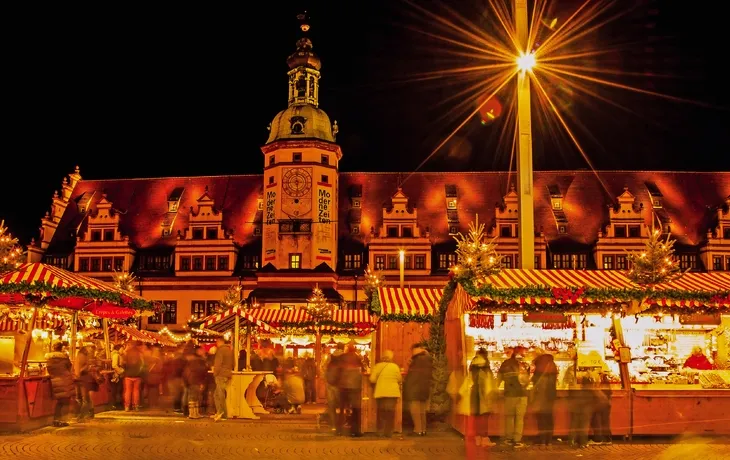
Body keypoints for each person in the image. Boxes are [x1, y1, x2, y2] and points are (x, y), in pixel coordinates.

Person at [451, 349, 496, 451]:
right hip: (483, 399)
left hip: (473, 398)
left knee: (477, 419)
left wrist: (459, 395)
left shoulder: (473, 370)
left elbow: (466, 384)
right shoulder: (486, 370)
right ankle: (484, 440)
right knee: (484, 420)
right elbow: (489, 387)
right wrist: (491, 398)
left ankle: (478, 439)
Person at [496, 346, 529, 448]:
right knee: (519, 418)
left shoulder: (505, 363)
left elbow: (498, 379)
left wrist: (495, 389)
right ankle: (517, 440)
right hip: (522, 395)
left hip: (510, 394)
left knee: (509, 417)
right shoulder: (524, 365)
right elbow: (526, 381)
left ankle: (509, 438)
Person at [369, 349, 402, 438]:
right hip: (392, 393)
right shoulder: (395, 367)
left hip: (381, 392)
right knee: (390, 413)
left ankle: (380, 431)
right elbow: (399, 379)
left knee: (381, 412)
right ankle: (388, 433)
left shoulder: (377, 366)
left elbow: (372, 379)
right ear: (391, 357)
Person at [403, 342, 433, 436]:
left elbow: (412, 376)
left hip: (414, 388)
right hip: (424, 388)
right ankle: (423, 430)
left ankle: (417, 430)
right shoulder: (428, 358)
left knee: (415, 410)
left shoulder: (417, 359)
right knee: (422, 411)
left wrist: (406, 385)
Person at [531, 350, 558, 445]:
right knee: (548, 417)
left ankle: (542, 439)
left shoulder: (539, 364)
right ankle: (549, 439)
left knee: (541, 418)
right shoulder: (552, 364)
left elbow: (534, 379)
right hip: (550, 395)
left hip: (540, 395)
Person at [337, 344, 364, 437]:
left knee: (341, 409)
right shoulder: (358, 358)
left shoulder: (342, 358)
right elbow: (362, 370)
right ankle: (355, 430)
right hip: (355, 387)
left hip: (343, 386)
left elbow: (337, 371)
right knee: (356, 409)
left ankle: (339, 430)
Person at [45, 342, 75, 427]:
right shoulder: (64, 358)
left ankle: (56, 420)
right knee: (66, 402)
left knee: (59, 402)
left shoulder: (49, 359)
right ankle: (63, 420)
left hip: (55, 380)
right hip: (65, 380)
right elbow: (70, 367)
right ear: (61, 348)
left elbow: (49, 369)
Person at [183, 346, 209, 419]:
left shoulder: (192, 361)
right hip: (195, 381)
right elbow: (202, 371)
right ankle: (193, 414)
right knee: (193, 398)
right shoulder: (199, 361)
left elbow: (186, 372)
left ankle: (195, 413)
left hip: (192, 381)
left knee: (195, 397)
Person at [212, 337, 234, 422]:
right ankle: (221, 412)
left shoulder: (220, 351)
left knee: (219, 394)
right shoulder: (230, 350)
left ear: (219, 342)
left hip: (221, 374)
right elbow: (234, 363)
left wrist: (215, 373)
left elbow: (218, 363)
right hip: (227, 374)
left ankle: (222, 412)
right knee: (218, 394)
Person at [325, 344, 345, 433]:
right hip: (340, 384)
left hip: (330, 383)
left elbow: (324, 367)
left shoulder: (331, 356)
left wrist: (326, 378)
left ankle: (333, 425)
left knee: (331, 405)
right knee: (342, 406)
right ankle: (340, 425)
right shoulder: (345, 357)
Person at [123, 342, 145, 412]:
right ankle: (136, 406)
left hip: (128, 375)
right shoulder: (140, 353)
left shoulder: (126, 353)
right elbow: (143, 364)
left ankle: (127, 406)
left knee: (128, 391)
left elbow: (123, 363)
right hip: (137, 375)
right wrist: (139, 372)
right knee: (136, 391)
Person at [110, 344, 125, 410]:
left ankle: (116, 404)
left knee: (117, 390)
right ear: (119, 348)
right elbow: (114, 365)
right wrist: (121, 371)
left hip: (117, 375)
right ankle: (115, 404)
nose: (123, 350)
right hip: (116, 375)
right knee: (117, 390)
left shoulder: (118, 355)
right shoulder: (116, 355)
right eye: (122, 349)